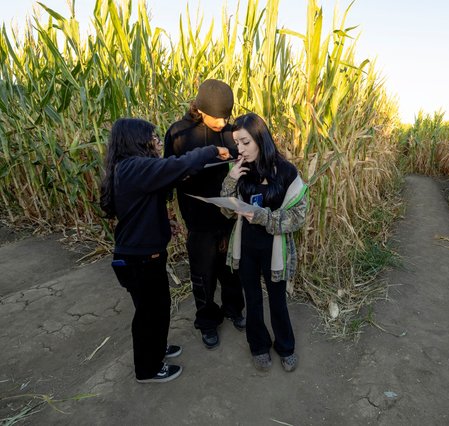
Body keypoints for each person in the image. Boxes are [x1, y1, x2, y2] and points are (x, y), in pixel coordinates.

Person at [100, 117, 231, 383]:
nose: (159, 141)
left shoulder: (127, 169)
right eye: (153, 137)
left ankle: (156, 350)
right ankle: (147, 369)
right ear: (137, 141)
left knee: (157, 308)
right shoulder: (135, 167)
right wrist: (212, 150)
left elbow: (163, 184)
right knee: (150, 313)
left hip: (142, 255)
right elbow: (178, 164)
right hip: (140, 259)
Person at [220, 113, 308, 372]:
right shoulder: (238, 171)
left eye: (245, 142)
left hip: (274, 248)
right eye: (237, 143)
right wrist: (230, 180)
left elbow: (297, 216)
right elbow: (226, 211)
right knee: (253, 298)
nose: (241, 149)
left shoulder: (287, 171)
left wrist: (262, 217)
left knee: (278, 300)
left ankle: (285, 346)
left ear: (260, 138)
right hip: (246, 247)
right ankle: (258, 345)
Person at [164, 79, 246, 350]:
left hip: (230, 217)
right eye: (216, 117)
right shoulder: (179, 133)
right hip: (198, 218)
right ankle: (207, 321)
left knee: (232, 269)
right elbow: (166, 175)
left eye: (226, 117)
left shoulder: (232, 132)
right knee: (203, 273)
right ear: (199, 108)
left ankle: (234, 309)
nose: (221, 124)